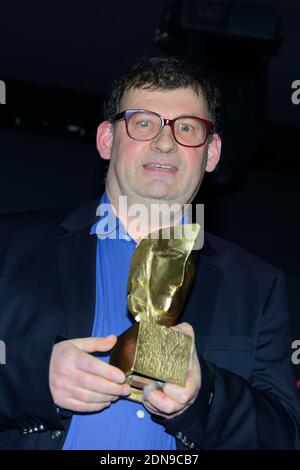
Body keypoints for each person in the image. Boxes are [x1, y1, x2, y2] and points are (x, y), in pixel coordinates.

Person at [0, 56, 299, 450]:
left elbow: (285, 436)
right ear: (107, 140)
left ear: (211, 154)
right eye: (143, 122)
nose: (164, 141)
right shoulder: (10, 246)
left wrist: (204, 395)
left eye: (187, 128)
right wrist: (36, 379)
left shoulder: (256, 285)